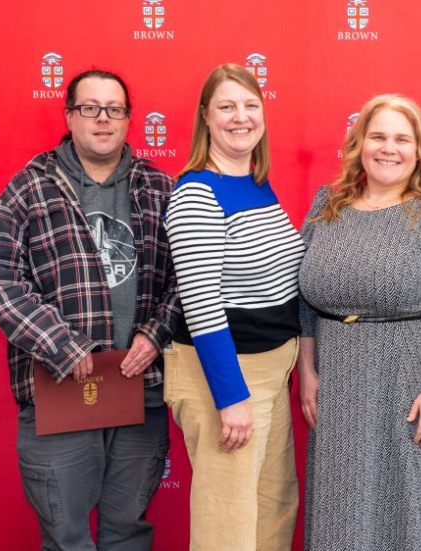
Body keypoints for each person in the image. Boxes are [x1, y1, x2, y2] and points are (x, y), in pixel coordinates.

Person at [0, 69, 180, 550]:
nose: (103, 119)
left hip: (139, 391)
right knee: (65, 537)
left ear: (128, 119)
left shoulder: (161, 187)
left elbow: (189, 277)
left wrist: (156, 332)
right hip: (58, 391)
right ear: (69, 116)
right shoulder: (30, 187)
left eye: (114, 109)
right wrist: (60, 344)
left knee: (127, 532)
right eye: (90, 108)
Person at [298, 93, 421, 550]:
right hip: (341, 385)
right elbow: (305, 301)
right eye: (378, 136)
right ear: (359, 143)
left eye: (402, 139)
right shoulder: (328, 206)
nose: (389, 148)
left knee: (420, 512)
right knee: (348, 510)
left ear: (420, 149)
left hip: (417, 387)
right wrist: (308, 372)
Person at [163, 63, 305, 551]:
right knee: (228, 524)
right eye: (226, 106)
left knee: (273, 505)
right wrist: (231, 398)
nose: (240, 117)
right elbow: (202, 306)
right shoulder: (197, 193)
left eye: (250, 105)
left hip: (271, 371)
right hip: (226, 375)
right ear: (205, 116)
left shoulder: (255, 182)